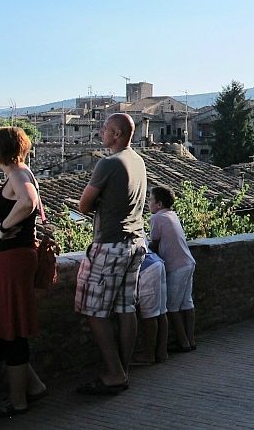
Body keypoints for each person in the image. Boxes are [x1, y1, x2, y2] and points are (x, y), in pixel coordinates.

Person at [0, 126, 47, 419]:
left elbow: (27, 202)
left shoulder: (17, 174)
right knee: (2, 329)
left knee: (8, 331)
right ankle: (34, 386)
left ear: (1, 149)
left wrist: (3, 228)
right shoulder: (23, 172)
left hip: (9, 261)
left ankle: (17, 402)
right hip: (12, 260)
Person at [75, 113, 147, 395]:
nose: (100, 133)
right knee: (126, 308)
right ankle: (124, 369)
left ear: (116, 134)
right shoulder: (138, 161)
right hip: (136, 241)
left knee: (94, 311)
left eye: (104, 129)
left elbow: (83, 205)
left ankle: (115, 373)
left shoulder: (109, 163)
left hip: (110, 244)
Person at [148, 185, 197, 353]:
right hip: (188, 262)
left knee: (172, 307)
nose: (149, 203)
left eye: (151, 200)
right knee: (187, 303)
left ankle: (183, 343)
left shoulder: (156, 218)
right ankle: (191, 340)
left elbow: (153, 244)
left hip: (176, 266)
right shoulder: (172, 215)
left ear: (159, 204)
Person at [132, 250, 169, 365]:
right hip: (157, 262)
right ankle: (162, 352)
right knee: (161, 312)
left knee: (149, 315)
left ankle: (149, 355)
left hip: (146, 268)